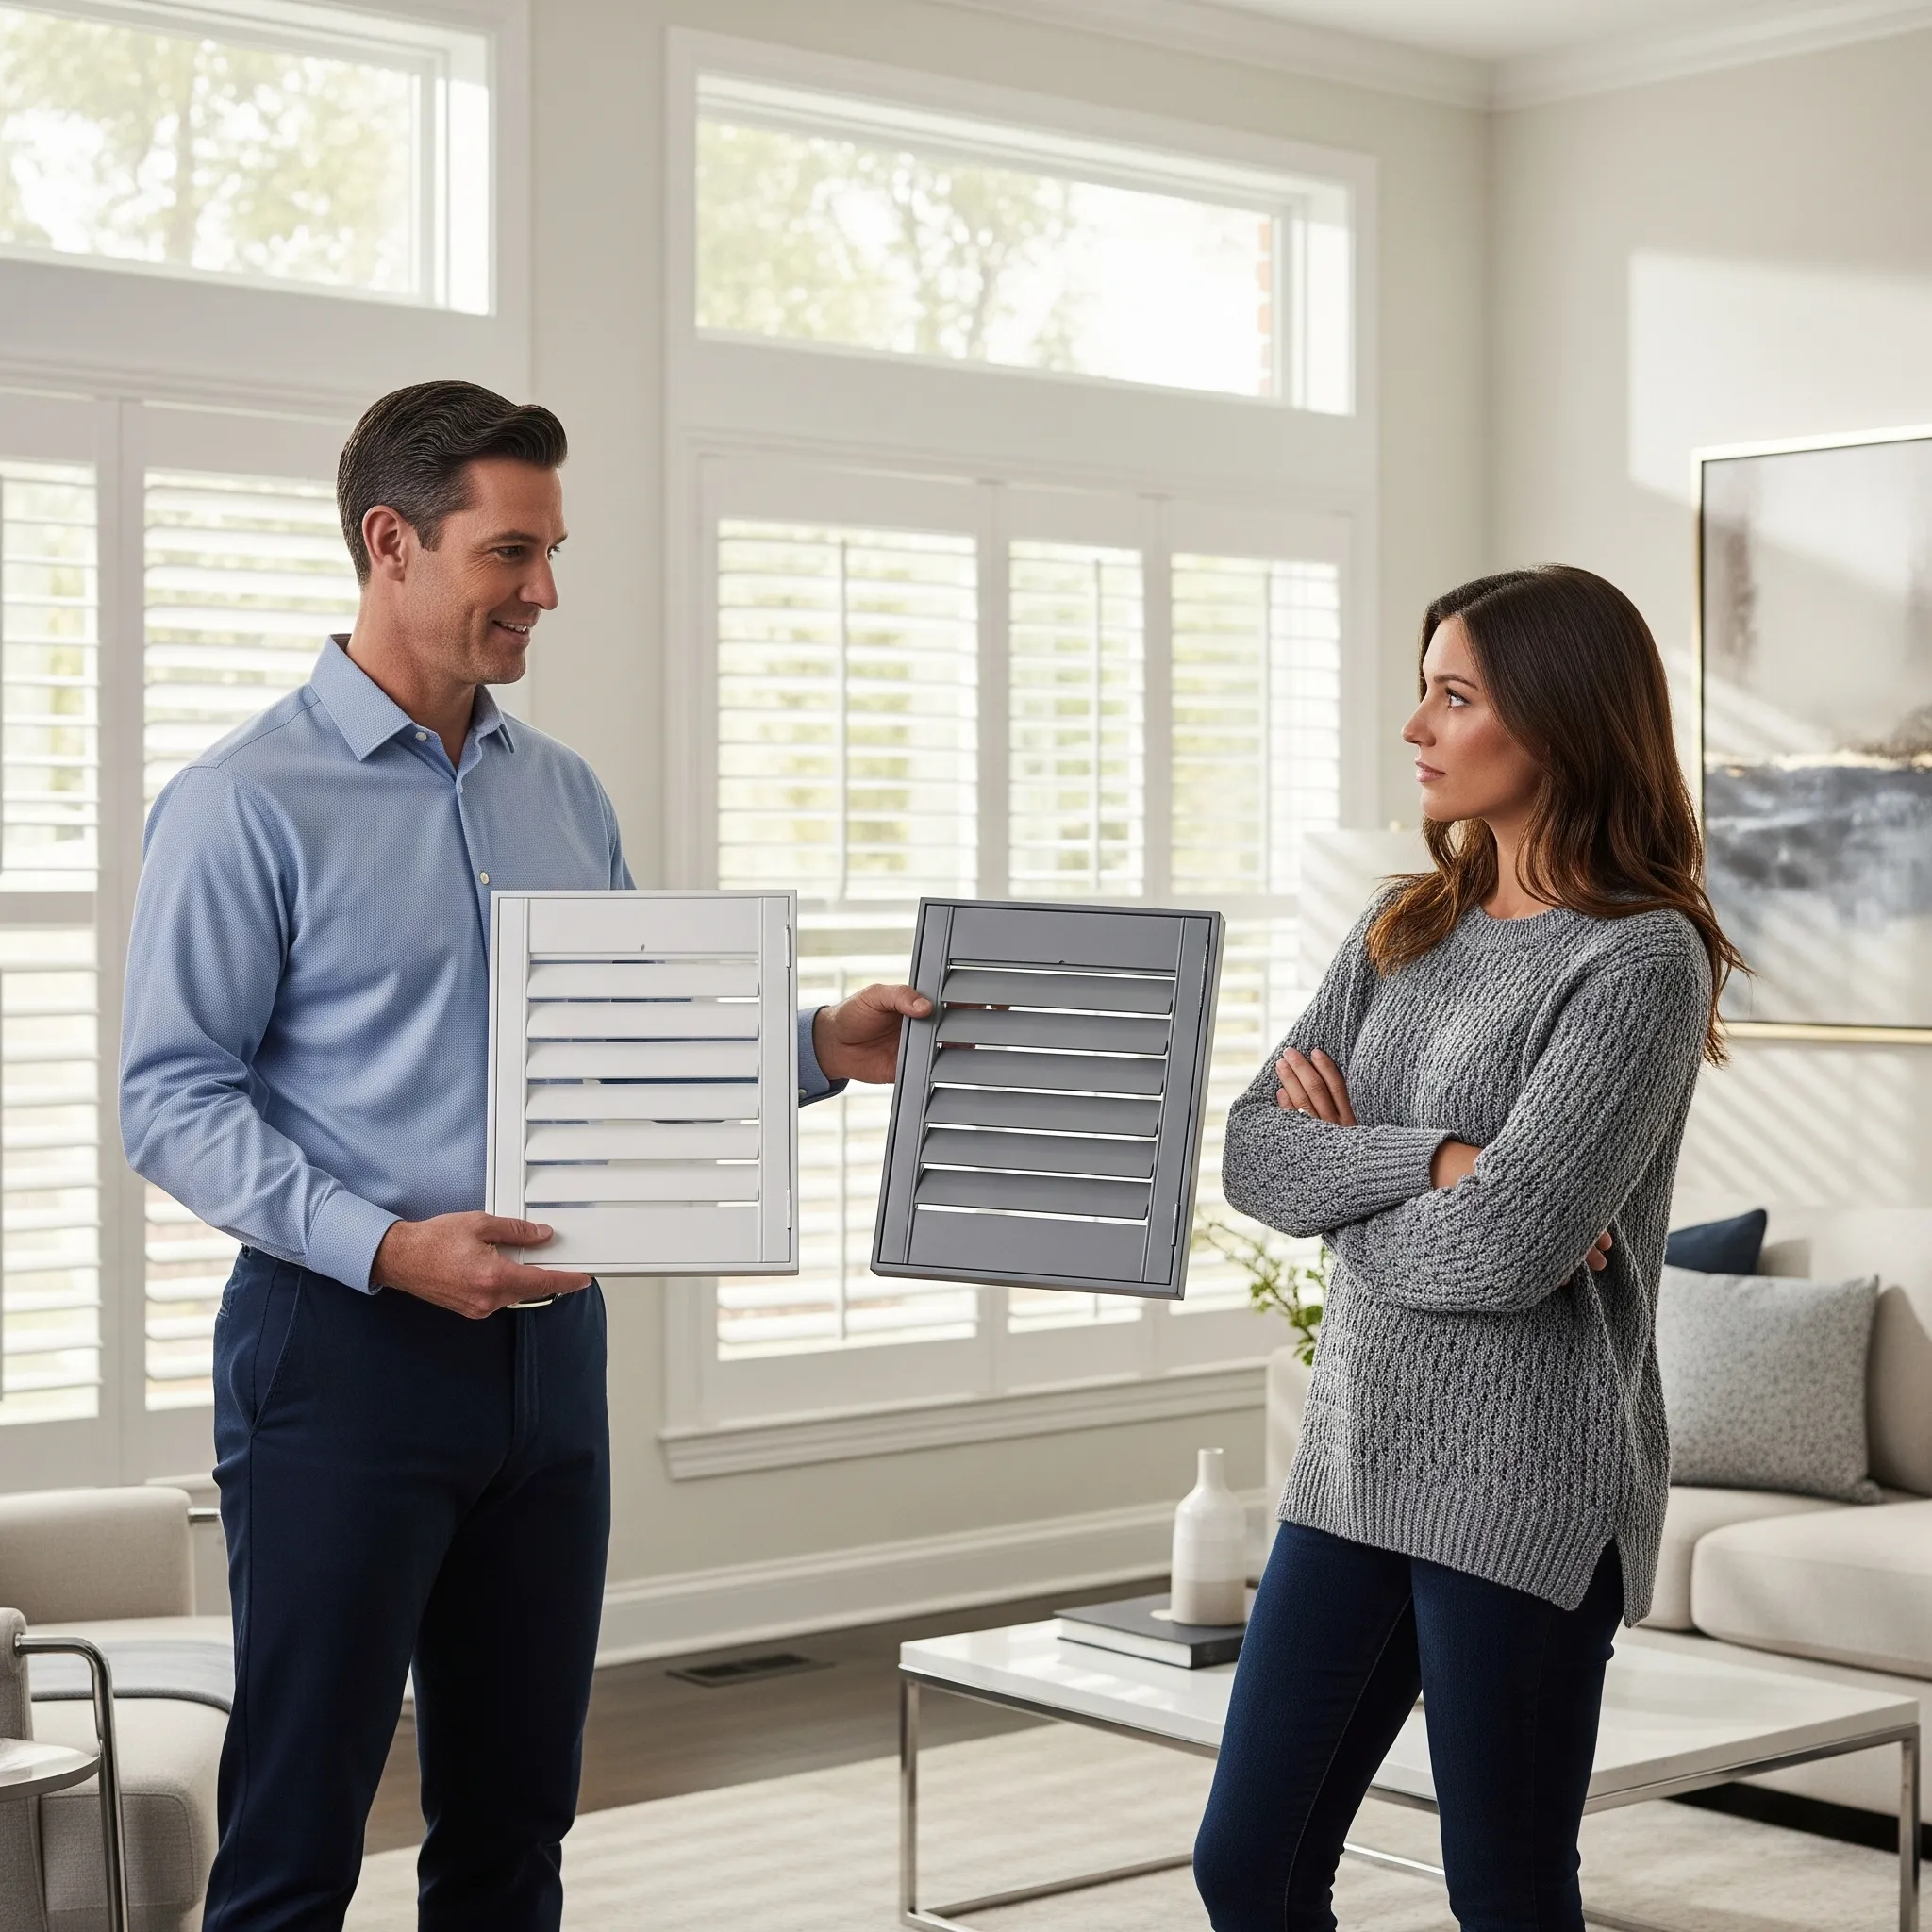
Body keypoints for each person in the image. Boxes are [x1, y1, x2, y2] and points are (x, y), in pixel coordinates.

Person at [118, 380, 930, 1932]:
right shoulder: (241, 802)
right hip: (342, 1353)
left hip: (554, 1363)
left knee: (514, 1828)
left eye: (553, 554)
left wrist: (820, 1046)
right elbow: (172, 1095)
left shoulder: (561, 792)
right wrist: (386, 1241)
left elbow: (625, 1059)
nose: (545, 593)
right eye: (511, 553)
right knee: (298, 1828)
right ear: (391, 544)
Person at [1192, 566, 1745, 1932]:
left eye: (1454, 696)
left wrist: (1377, 1189)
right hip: (1357, 1456)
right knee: (1244, 1867)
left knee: (1501, 1895)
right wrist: (1432, 1162)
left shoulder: (1638, 960)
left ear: (1556, 723)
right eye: (1422, 691)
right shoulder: (1403, 926)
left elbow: (1505, 1250)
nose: (1416, 728)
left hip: (1529, 1489)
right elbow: (1254, 1150)